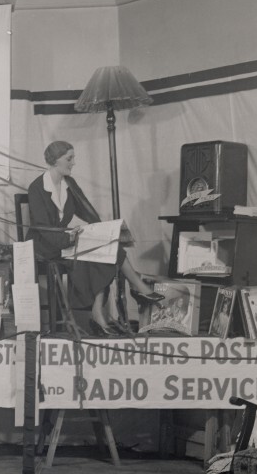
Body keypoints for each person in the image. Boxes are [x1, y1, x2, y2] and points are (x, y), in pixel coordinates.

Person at [26, 140, 162, 335]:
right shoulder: (36, 188)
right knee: (96, 254)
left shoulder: (69, 184)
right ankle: (135, 288)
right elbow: (43, 228)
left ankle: (102, 310)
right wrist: (70, 240)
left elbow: (86, 210)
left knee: (107, 249)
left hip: (65, 240)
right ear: (55, 161)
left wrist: (103, 231)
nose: (74, 163)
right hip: (44, 245)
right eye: (69, 159)